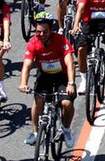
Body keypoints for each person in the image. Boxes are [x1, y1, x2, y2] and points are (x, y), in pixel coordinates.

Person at [19, 12, 77, 148]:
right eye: (38, 32)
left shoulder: (61, 41)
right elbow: (27, 65)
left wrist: (71, 83)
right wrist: (23, 83)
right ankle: (34, 132)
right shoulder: (33, 43)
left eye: (44, 32)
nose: (41, 35)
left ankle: (67, 130)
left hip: (61, 76)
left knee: (66, 104)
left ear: (51, 30)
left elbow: (70, 63)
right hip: (44, 75)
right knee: (38, 101)